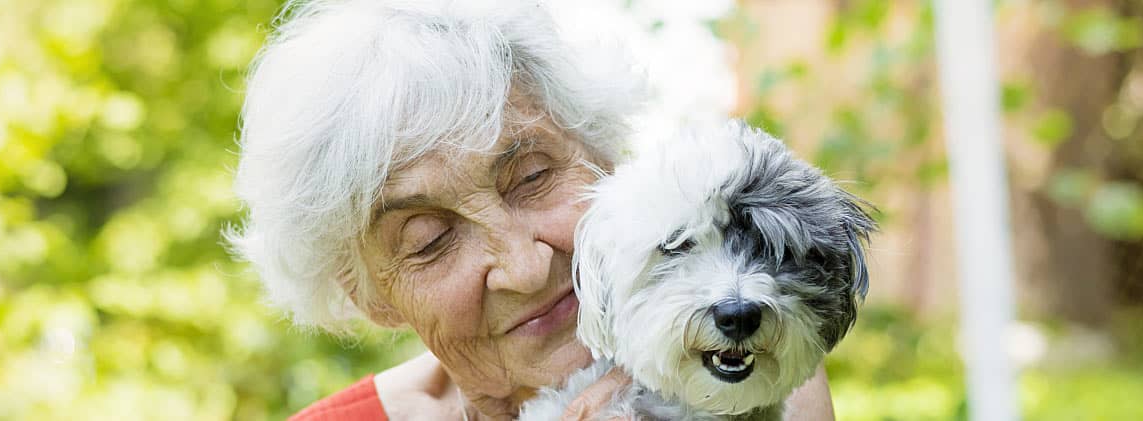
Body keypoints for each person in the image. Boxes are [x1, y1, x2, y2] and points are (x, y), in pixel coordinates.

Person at [227, 0, 836, 419]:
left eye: (534, 178)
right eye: (429, 239)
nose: (523, 267)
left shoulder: (751, 355)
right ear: (369, 296)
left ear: (606, 160)